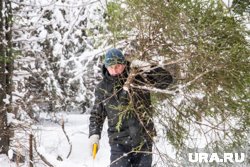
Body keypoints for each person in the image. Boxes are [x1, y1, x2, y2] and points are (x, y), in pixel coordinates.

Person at [89, 48, 173, 167]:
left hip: (143, 138)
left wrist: (148, 67)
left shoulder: (139, 77)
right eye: (111, 67)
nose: (114, 70)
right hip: (119, 142)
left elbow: (166, 81)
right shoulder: (102, 88)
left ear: (124, 64)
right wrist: (94, 135)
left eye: (118, 66)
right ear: (106, 67)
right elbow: (97, 113)